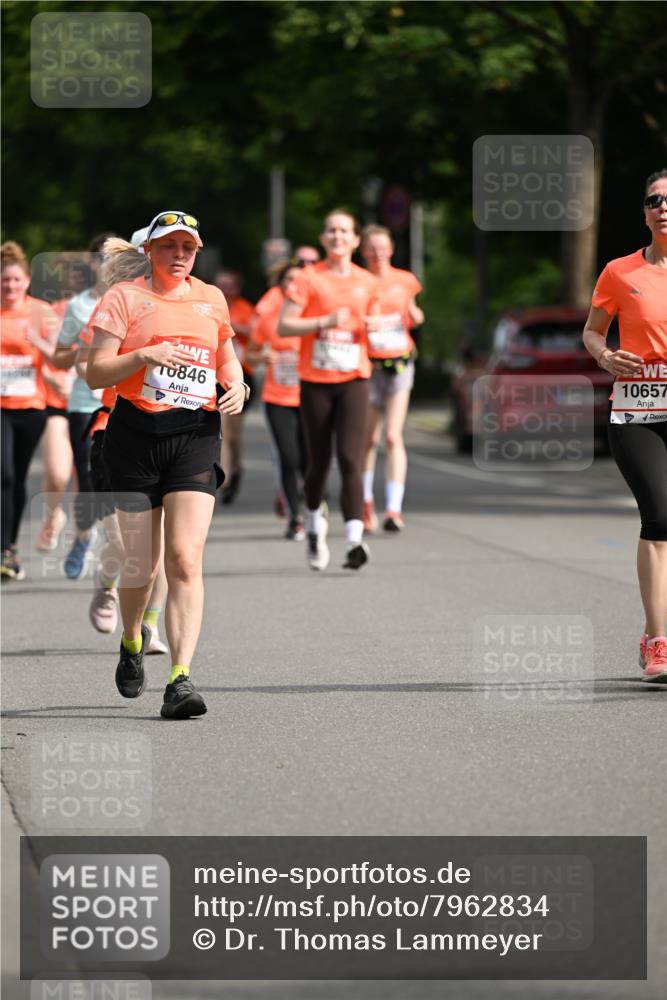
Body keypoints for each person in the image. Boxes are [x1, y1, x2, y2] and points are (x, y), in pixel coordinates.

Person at [86, 211, 248, 718]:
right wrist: (143, 357)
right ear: (151, 251)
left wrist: (237, 385)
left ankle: (180, 678)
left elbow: (225, 354)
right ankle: (132, 640)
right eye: (170, 246)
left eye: (189, 248)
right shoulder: (125, 298)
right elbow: (95, 372)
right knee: (142, 565)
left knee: (184, 559)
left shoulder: (211, 298)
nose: (180, 255)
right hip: (134, 436)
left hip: (195, 436)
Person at [582, 168, 667, 684]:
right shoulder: (619, 272)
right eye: (654, 199)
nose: (663, 206)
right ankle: (657, 641)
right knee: (660, 517)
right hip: (636, 410)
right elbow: (592, 332)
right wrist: (606, 356)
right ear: (644, 212)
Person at [76, 235, 168, 653]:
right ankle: (107, 585)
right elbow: (88, 367)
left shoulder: (187, 306)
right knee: (124, 542)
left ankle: (150, 628)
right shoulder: (114, 304)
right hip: (113, 429)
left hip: (170, 435)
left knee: (160, 546)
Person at [278, 209, 378, 570]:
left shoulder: (368, 281)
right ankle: (316, 526)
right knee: (319, 462)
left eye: (344, 231)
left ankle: (355, 539)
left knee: (351, 458)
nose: (338, 236)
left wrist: (383, 326)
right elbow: (285, 326)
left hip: (355, 377)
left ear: (354, 241)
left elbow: (379, 326)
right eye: (331, 230)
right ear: (324, 239)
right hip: (316, 381)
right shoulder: (308, 278)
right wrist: (324, 321)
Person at [53, 234, 116, 579]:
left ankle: (116, 543)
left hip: (123, 403)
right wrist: (82, 355)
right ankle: (84, 535)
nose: (109, 263)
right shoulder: (78, 306)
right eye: (103, 257)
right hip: (85, 405)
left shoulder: (137, 300)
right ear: (93, 263)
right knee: (88, 480)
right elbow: (59, 356)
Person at [1, 241, 60, 579]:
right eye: (4, 281)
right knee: (3, 474)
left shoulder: (41, 312)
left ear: (26, 282)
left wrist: (39, 343)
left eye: (16, 281)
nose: (10, 287)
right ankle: (3, 548)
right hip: (0, 407)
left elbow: (58, 358)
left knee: (18, 477)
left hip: (32, 406)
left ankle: (9, 548)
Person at [361, 224, 424, 532]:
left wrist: (415, 316)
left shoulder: (405, 280)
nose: (377, 253)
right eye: (372, 248)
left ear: (391, 249)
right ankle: (365, 503)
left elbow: (414, 312)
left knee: (392, 436)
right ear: (363, 252)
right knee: (369, 439)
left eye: (382, 247)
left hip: (399, 361)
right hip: (366, 364)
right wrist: (368, 323)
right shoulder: (358, 281)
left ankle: (393, 509)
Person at [250, 263, 307, 539]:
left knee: (309, 458)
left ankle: (312, 507)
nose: (294, 285)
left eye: (300, 280)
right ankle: (295, 516)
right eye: (289, 280)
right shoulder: (269, 317)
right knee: (288, 456)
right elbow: (250, 354)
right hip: (278, 397)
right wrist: (263, 358)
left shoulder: (313, 314)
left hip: (310, 396)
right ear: (281, 285)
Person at [213, 269, 254, 504]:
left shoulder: (245, 309)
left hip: (242, 376)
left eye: (229, 286)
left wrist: (234, 327)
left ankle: (235, 467)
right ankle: (225, 473)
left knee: (234, 434)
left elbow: (256, 333)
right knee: (223, 425)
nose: (225, 290)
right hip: (216, 376)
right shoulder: (209, 304)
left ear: (237, 289)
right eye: (221, 285)